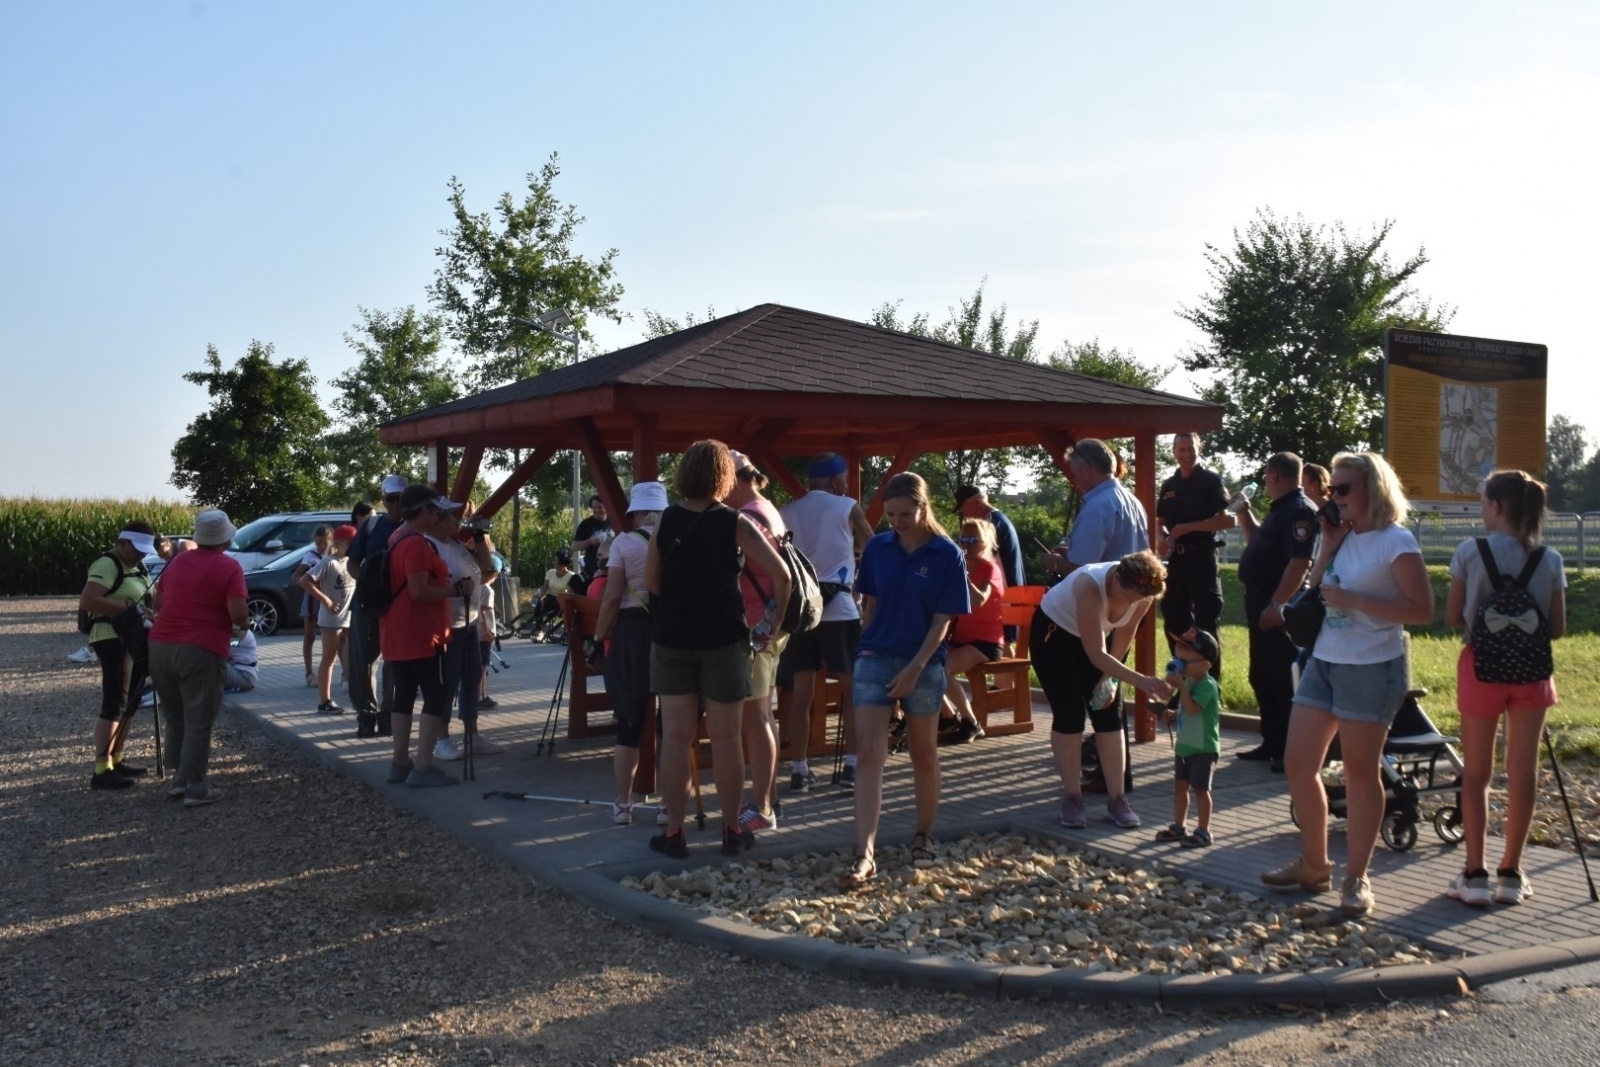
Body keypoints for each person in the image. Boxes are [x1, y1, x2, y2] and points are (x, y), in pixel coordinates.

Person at [1261, 451, 1434, 918]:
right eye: (1332, 489)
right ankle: (1315, 865)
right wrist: (1329, 547)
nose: (1332, 497)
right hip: (1325, 659)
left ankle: (1357, 880)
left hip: (1372, 666)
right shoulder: (1341, 535)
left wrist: (1357, 599)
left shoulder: (1395, 542)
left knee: (1361, 773)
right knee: (1299, 762)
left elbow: (1421, 609)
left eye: (1342, 489)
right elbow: (1314, 592)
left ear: (1371, 490)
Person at [646, 440, 790, 859]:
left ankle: (674, 831)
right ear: (723, 478)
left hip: (672, 637)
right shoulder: (735, 522)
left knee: (675, 738)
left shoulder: (666, 521)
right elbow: (781, 576)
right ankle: (731, 830)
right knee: (727, 738)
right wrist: (770, 626)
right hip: (725, 640)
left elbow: (652, 581)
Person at [839, 472, 969, 889]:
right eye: (891, 514)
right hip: (875, 657)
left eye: (904, 514)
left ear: (923, 507)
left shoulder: (947, 554)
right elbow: (870, 605)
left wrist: (914, 669)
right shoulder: (878, 547)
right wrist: (864, 647)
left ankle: (923, 833)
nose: (896, 521)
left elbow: (942, 622)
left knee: (922, 753)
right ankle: (864, 854)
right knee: (870, 757)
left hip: (925, 662)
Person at [1444, 470, 1566, 907]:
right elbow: (1557, 627)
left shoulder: (1469, 552)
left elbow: (1454, 616)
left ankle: (1474, 873)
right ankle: (1511, 872)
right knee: (1523, 771)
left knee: (1476, 773)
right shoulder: (1548, 558)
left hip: (1481, 669)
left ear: (1496, 506)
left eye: (1482, 502)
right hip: (1532, 673)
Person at [1032, 550, 1172, 831]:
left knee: (1109, 715)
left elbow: (1124, 633)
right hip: (1055, 638)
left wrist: (1109, 678)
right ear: (1117, 577)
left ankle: (1117, 799)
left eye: (1139, 599)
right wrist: (1141, 681)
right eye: (1130, 596)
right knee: (1070, 715)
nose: (1134, 603)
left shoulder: (1142, 593)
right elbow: (1095, 653)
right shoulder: (1089, 585)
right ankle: (1073, 797)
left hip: (1098, 644)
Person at [776, 453, 874, 793]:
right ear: (834, 480)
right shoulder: (848, 506)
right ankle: (850, 765)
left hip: (802, 611)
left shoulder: (787, 511)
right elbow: (873, 546)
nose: (847, 483)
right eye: (845, 477)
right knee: (852, 690)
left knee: (801, 693)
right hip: (840, 608)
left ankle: (800, 769)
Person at [147, 509, 249, 808]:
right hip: (200, 647)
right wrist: (243, 626)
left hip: (161, 645)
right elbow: (238, 612)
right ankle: (195, 785)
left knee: (175, 716)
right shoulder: (229, 567)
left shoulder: (177, 562)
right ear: (225, 539)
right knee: (199, 718)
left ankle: (178, 780)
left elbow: (159, 602)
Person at [1234, 452, 1318, 771]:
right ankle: (1272, 742)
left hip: (1279, 607)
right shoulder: (1280, 510)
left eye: (1266, 477)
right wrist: (1244, 514)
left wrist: (1277, 605)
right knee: (1263, 675)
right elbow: (1258, 541)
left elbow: (1299, 563)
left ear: (1272, 476)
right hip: (1261, 603)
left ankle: (1290, 750)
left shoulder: (1298, 511)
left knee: (1283, 679)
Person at [381, 485, 466, 789]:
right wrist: (455, 590)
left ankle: (400, 763)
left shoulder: (396, 537)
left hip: (397, 630)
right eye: (435, 511)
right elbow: (418, 591)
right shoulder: (415, 544)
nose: (438, 517)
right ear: (425, 512)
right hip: (420, 632)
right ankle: (423, 766)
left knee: (404, 694)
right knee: (436, 695)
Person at [594, 481, 668, 825]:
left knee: (629, 720)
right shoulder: (676, 540)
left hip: (632, 634)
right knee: (673, 725)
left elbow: (611, 596)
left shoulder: (624, 543)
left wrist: (597, 636)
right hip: (671, 631)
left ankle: (624, 803)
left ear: (635, 513)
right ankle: (670, 805)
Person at [724, 452, 789, 836]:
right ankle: (768, 795)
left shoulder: (749, 516)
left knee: (755, 718)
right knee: (764, 715)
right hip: (769, 626)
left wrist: (767, 626)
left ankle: (762, 806)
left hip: (758, 627)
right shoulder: (768, 508)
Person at [78, 521, 158, 790]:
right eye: (137, 549)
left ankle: (116, 758)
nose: (141, 555)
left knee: (130, 702)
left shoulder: (139, 565)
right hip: (111, 638)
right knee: (115, 702)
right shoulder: (107, 564)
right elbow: (88, 601)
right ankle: (102, 770)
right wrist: (124, 607)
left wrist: (142, 612)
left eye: (144, 550)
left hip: (133, 638)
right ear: (122, 542)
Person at [1156, 433, 1234, 681]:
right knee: (1173, 622)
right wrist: (1162, 538)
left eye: (1190, 449)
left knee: (1206, 626)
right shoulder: (1168, 485)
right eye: (1181, 449)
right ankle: (1183, 682)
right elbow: (1160, 523)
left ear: (1199, 448)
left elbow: (1228, 519)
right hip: (1177, 563)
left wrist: (1189, 527)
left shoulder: (1211, 481)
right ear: (1174, 451)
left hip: (1202, 559)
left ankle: (1210, 689)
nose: (1186, 454)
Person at [426, 502, 499, 763]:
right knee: (448, 682)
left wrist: (480, 536)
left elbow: (487, 566)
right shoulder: (430, 545)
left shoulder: (456, 545)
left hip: (469, 622)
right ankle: (442, 738)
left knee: (471, 677)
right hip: (447, 625)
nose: (460, 521)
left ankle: (472, 734)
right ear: (439, 519)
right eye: (455, 517)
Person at [348, 475, 407, 736]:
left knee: (395, 663)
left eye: (400, 499)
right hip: (367, 604)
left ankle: (388, 717)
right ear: (383, 500)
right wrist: (370, 582)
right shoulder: (371, 526)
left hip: (398, 607)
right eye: (390, 499)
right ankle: (365, 716)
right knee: (363, 663)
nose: (395, 505)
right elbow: (352, 562)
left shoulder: (413, 529)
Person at [1042, 438, 1149, 579]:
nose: (1076, 481)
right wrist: (1072, 553)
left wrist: (1056, 563)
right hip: (1132, 595)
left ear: (1086, 471)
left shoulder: (1097, 507)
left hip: (1105, 597)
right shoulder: (1134, 502)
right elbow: (1116, 551)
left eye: (1075, 474)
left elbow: (1081, 572)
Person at [940, 517, 1006, 743]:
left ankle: (971, 722)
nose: (965, 544)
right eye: (962, 539)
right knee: (918, 660)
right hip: (960, 638)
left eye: (972, 540)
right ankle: (948, 716)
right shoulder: (963, 567)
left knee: (939, 670)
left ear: (985, 542)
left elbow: (978, 600)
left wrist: (963, 574)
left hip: (985, 641)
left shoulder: (990, 568)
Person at [1155, 628, 1222, 847]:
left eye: (1185, 661)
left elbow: (1194, 709)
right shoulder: (1190, 682)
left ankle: (1204, 830)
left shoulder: (1207, 685)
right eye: (1177, 659)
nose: (1179, 664)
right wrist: (1172, 711)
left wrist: (1180, 685)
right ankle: (1179, 825)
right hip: (1185, 745)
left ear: (1206, 664)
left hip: (1203, 747)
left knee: (1201, 790)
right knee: (1180, 787)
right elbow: (1182, 709)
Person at [299, 523, 357, 713]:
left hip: (348, 617)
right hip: (331, 619)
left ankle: (353, 690)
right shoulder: (328, 562)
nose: (355, 546)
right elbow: (304, 580)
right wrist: (326, 600)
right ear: (339, 542)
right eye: (351, 543)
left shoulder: (351, 561)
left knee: (350, 654)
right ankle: (324, 701)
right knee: (329, 658)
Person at [955, 485, 1025, 594]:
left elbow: (985, 559)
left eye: (964, 506)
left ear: (977, 502)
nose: (963, 512)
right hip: (1011, 589)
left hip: (1006, 593)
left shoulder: (989, 524)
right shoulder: (998, 519)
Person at [293, 525, 332, 688]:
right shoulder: (311, 556)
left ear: (331, 540)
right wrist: (312, 587)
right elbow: (296, 577)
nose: (321, 547)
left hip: (330, 598)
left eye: (324, 543)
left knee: (334, 635)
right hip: (312, 599)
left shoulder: (334, 555)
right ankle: (309, 673)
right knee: (309, 636)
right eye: (318, 543)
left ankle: (343, 672)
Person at [573, 495, 613, 587]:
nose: (596, 510)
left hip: (612, 568)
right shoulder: (586, 525)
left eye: (599, 507)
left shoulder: (613, 521)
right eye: (594, 508)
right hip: (593, 570)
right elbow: (574, 546)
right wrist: (590, 541)